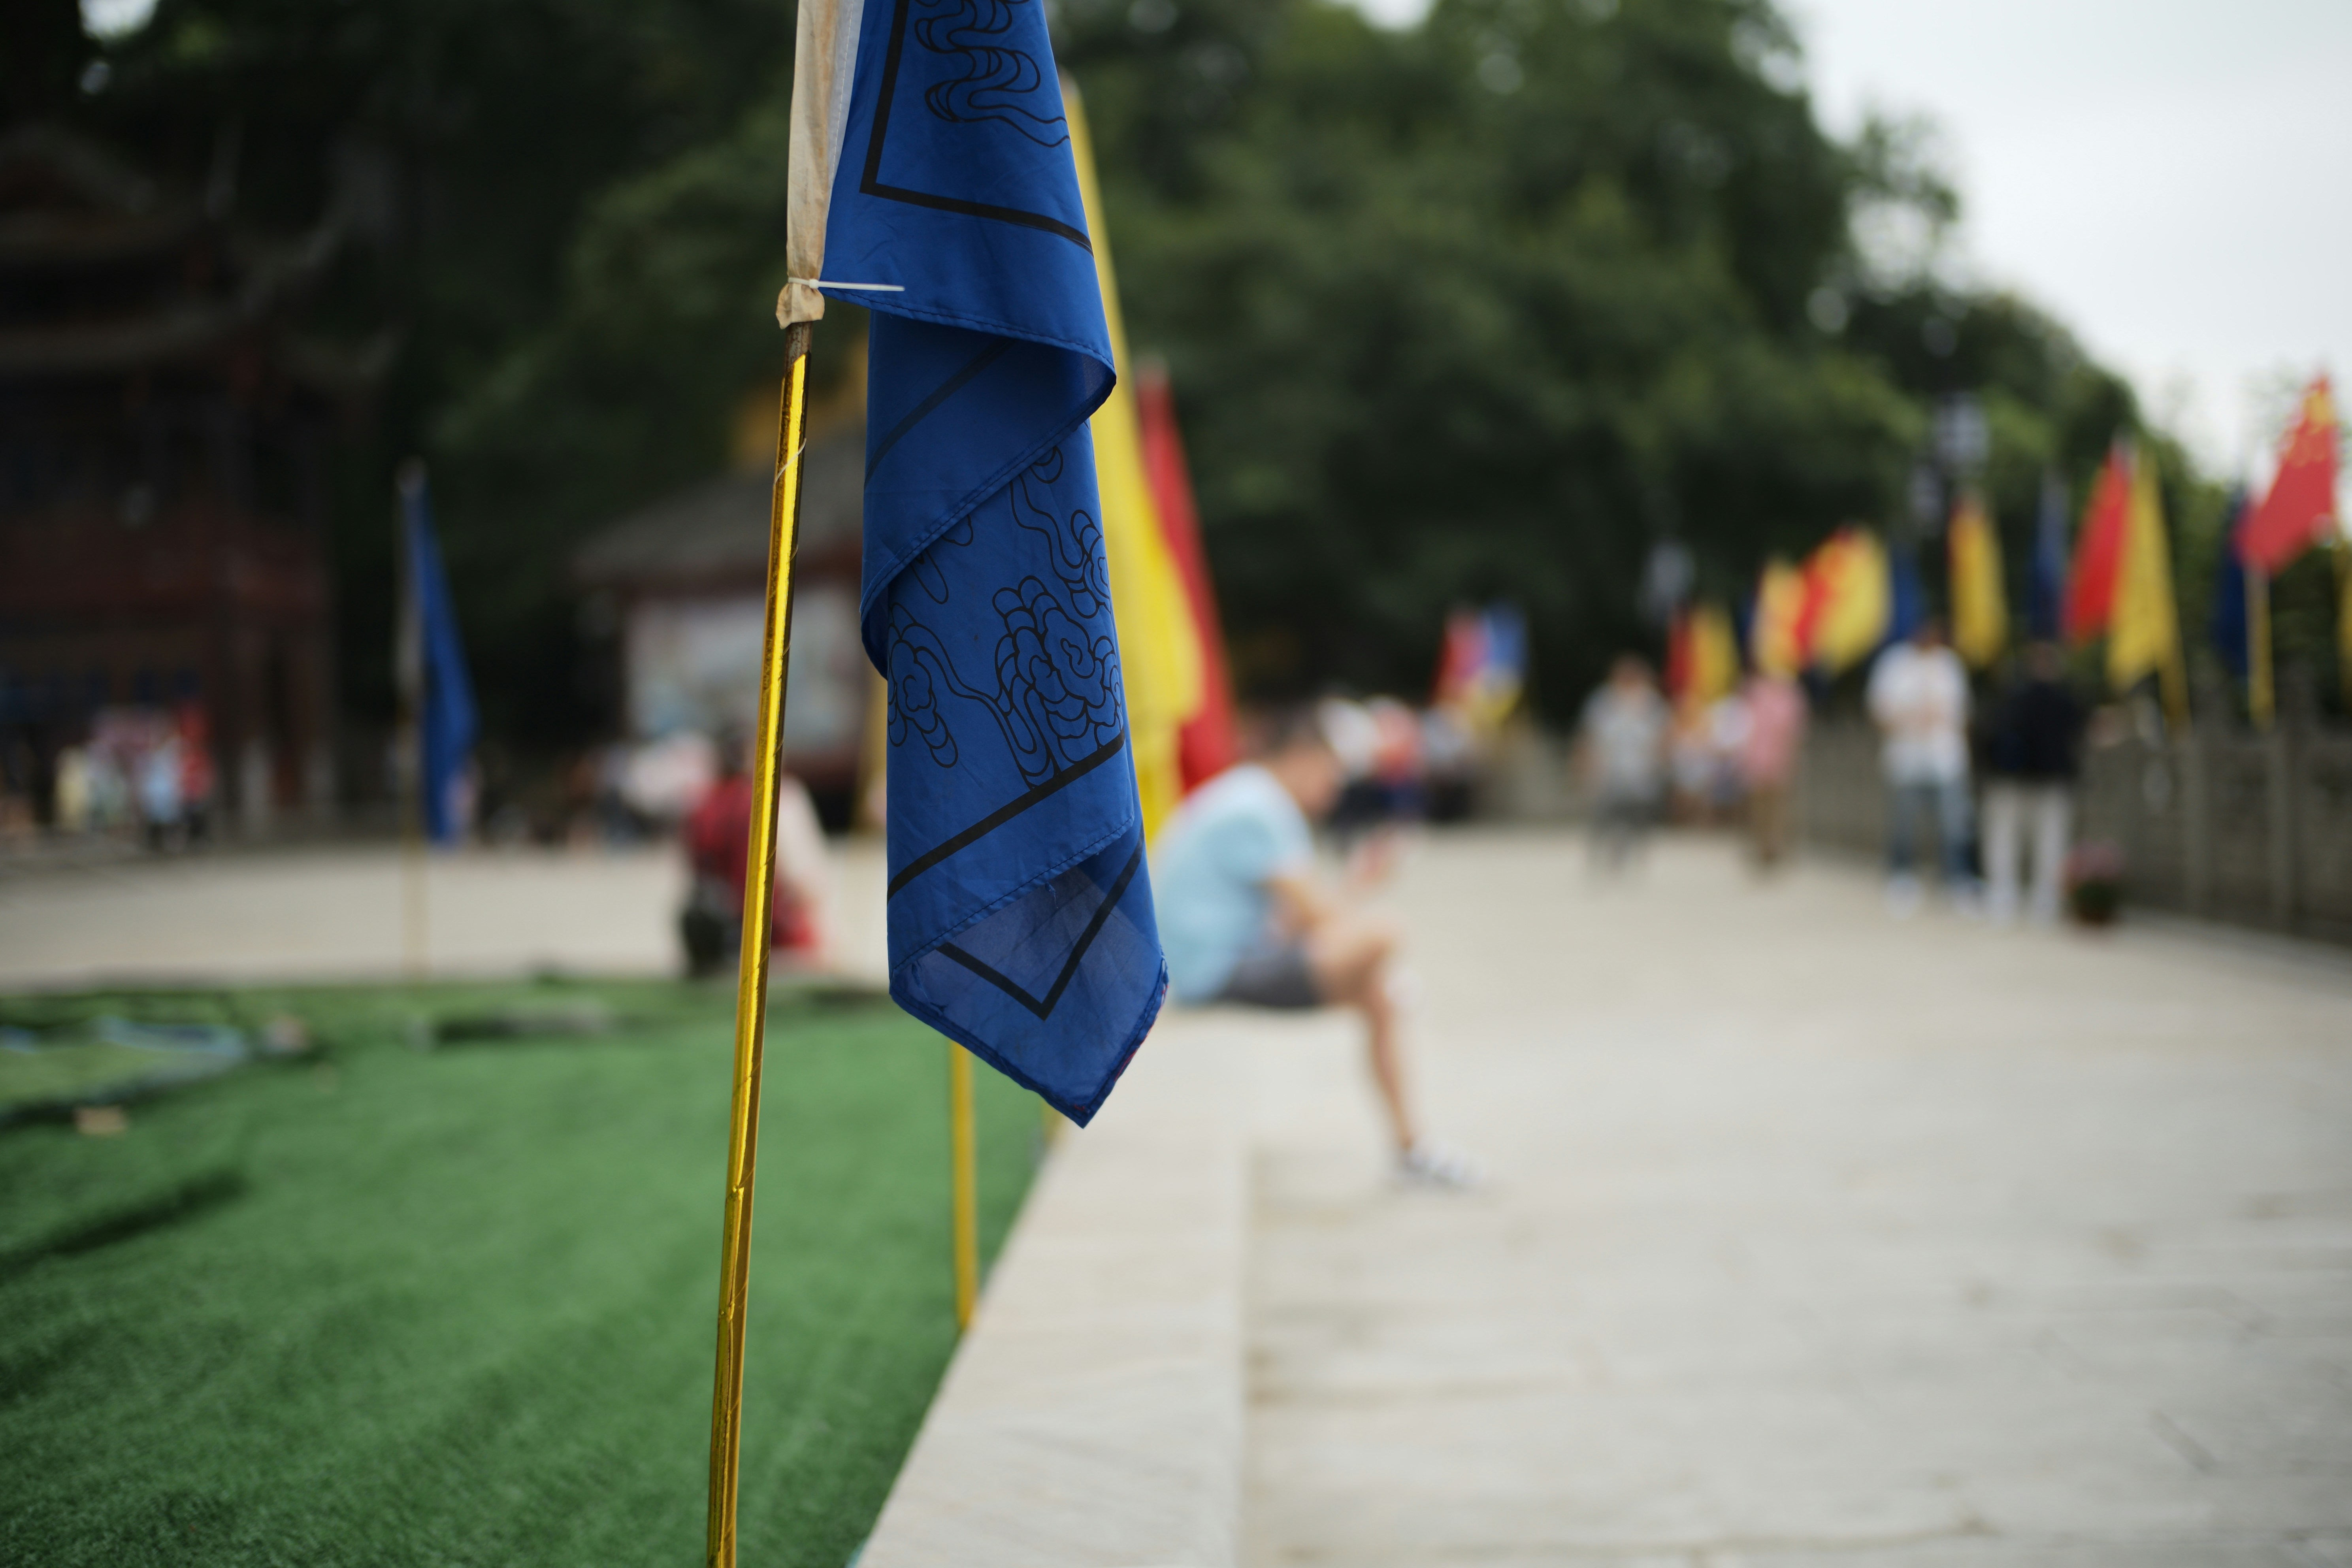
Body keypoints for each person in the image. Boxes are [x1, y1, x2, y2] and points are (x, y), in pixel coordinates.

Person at [1153, 708, 1474, 1187]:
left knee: (1377, 995)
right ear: (1304, 757)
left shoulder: (1245, 794)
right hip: (1207, 970)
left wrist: (1354, 885)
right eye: (1332, 772)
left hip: (1213, 959)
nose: (1336, 789)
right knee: (1385, 934)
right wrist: (1363, 885)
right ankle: (1412, 1151)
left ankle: (1412, 1148)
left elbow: (1295, 922)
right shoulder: (1260, 808)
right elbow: (1317, 918)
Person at [1865, 618, 1974, 912]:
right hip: (1906, 758)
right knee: (1904, 823)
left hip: (1945, 758)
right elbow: (1880, 711)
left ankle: (1956, 879)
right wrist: (1910, 716)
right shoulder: (1894, 664)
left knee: (1953, 825)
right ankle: (1901, 876)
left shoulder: (1949, 665)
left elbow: (1961, 712)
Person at [1981, 642, 2086, 925]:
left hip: (2011, 782)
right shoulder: (2065, 698)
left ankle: (2005, 897)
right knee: (2048, 842)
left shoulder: (2010, 697)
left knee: (2008, 841)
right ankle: (2044, 902)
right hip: (2048, 782)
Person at [1576, 654, 1669, 869]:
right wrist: (1586, 765)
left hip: (1641, 772)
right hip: (1609, 770)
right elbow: (1589, 736)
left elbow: (1663, 738)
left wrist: (1660, 764)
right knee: (1605, 817)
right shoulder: (1602, 702)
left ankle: (1631, 856)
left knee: (1636, 818)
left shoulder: (1652, 704)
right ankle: (1601, 856)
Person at [1737, 671, 1807, 870]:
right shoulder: (1754, 692)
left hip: (1779, 759)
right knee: (1759, 808)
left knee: (1778, 808)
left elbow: (1795, 730)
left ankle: (1775, 848)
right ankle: (1762, 847)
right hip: (1757, 758)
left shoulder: (1791, 695)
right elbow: (1745, 724)